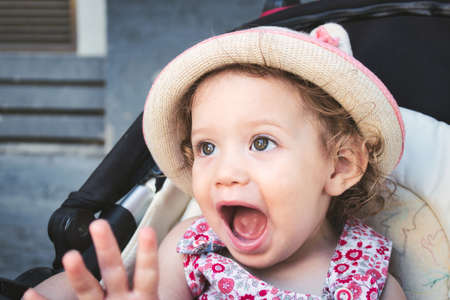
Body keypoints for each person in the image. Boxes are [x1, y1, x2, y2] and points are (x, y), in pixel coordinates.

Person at [24, 23, 407, 299]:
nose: (225, 172)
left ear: (340, 166)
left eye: (261, 142)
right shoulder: (194, 247)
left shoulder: (370, 282)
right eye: (207, 148)